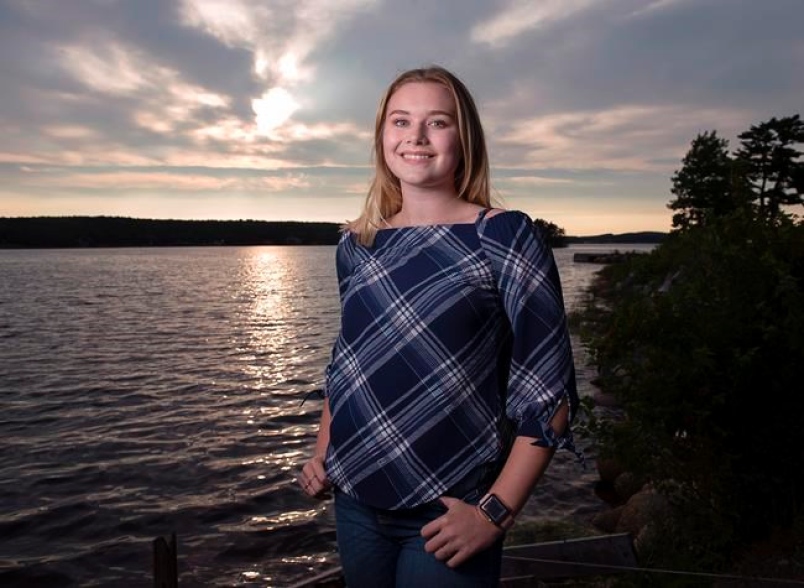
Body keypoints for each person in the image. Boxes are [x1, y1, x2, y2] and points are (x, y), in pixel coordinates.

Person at [298, 65, 579, 587]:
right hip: (355, 498)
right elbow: (349, 364)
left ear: (464, 138)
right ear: (382, 136)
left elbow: (550, 393)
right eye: (401, 121)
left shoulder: (503, 235)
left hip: (449, 508)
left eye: (438, 122)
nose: (417, 137)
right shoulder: (357, 244)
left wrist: (495, 512)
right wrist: (322, 451)